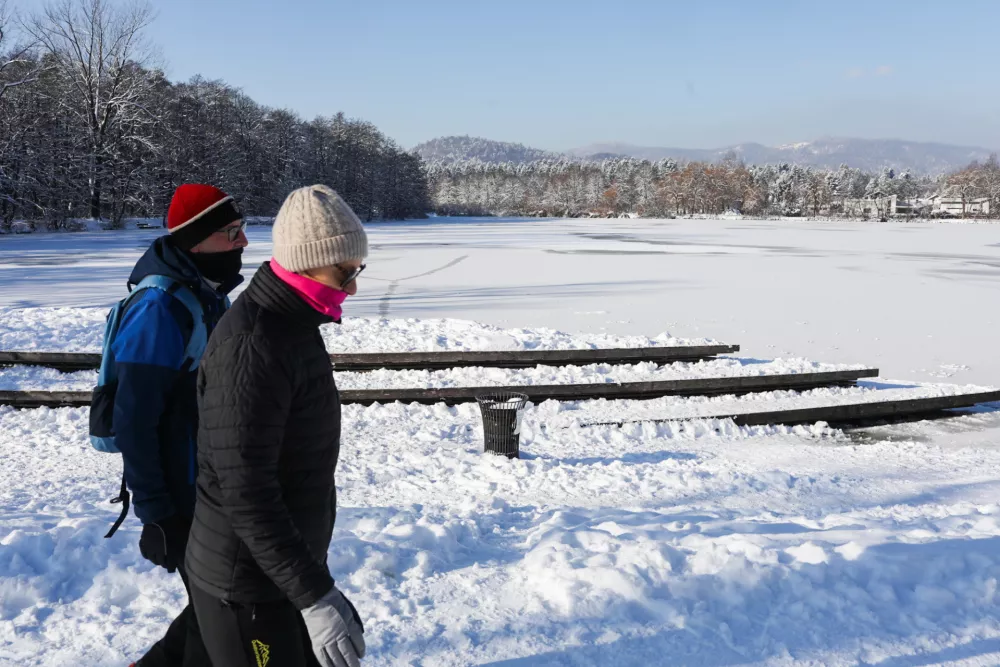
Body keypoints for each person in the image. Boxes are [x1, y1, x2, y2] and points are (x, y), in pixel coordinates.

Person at [187, 185, 367, 667]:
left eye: (359, 270)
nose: (352, 287)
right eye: (345, 272)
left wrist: (310, 581)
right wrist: (314, 595)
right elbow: (247, 492)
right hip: (246, 586)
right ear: (307, 262)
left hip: (273, 574)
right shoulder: (255, 346)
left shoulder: (293, 323)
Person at [114, 183, 249, 667]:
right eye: (230, 232)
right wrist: (157, 513)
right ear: (195, 241)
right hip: (184, 494)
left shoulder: (204, 293)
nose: (243, 241)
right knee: (223, 610)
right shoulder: (159, 307)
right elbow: (134, 420)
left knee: (216, 608)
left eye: (242, 228)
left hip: (212, 483)